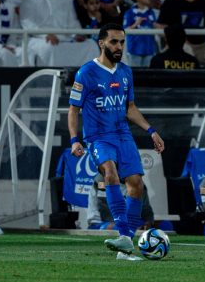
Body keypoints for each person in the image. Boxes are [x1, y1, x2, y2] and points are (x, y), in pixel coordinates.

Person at [68, 23, 165, 256]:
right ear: (102, 43)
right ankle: (123, 234)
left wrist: (151, 130)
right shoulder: (86, 72)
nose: (119, 46)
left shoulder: (125, 72)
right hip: (99, 137)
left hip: (123, 135)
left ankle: (126, 241)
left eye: (122, 42)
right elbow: (73, 109)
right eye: (114, 41)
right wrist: (74, 139)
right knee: (110, 174)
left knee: (136, 186)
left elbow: (129, 107)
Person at [19, 0, 97, 67]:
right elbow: (27, 23)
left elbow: (73, 23)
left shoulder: (66, 0)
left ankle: (89, 80)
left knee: (91, 45)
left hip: (64, 38)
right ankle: (55, 81)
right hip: (39, 39)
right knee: (50, 47)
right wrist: (45, 35)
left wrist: (77, 35)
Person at [87, 173, 155, 230]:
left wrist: (148, 223)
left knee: (164, 225)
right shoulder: (100, 182)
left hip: (132, 224)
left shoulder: (137, 184)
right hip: (102, 224)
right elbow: (94, 221)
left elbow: (146, 212)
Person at [123, 0, 159, 67]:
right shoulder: (129, 13)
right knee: (136, 77)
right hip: (134, 51)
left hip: (149, 50)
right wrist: (135, 24)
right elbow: (124, 31)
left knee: (148, 77)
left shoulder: (151, 12)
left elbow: (154, 26)